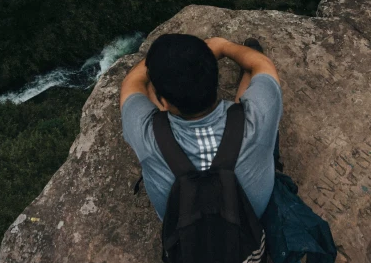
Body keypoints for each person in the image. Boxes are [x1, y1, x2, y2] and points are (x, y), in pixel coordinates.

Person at [120, 33, 282, 222]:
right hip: (250, 218)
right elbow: (262, 65)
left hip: (183, 232)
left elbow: (132, 82)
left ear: (163, 103)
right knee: (251, 74)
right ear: (216, 79)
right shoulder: (259, 115)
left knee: (145, 89)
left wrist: (160, 66)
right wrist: (223, 46)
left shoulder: (144, 132)